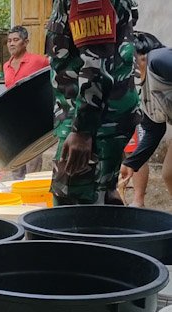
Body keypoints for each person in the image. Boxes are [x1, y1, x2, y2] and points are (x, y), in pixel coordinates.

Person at [46, 0, 140, 205]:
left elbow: (96, 64)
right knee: (100, 199)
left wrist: (82, 130)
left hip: (94, 124)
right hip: (95, 120)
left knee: (75, 212)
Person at [121, 32, 172, 197]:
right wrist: (131, 163)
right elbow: (154, 130)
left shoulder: (158, 59)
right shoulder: (145, 93)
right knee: (169, 173)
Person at [3, 25, 50, 180]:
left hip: (34, 120)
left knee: (33, 163)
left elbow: (54, 79)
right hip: (13, 121)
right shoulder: (6, 66)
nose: (11, 43)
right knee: (15, 162)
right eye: (9, 40)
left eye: (15, 40)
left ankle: (33, 197)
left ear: (26, 42)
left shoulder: (39, 61)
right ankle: (17, 196)